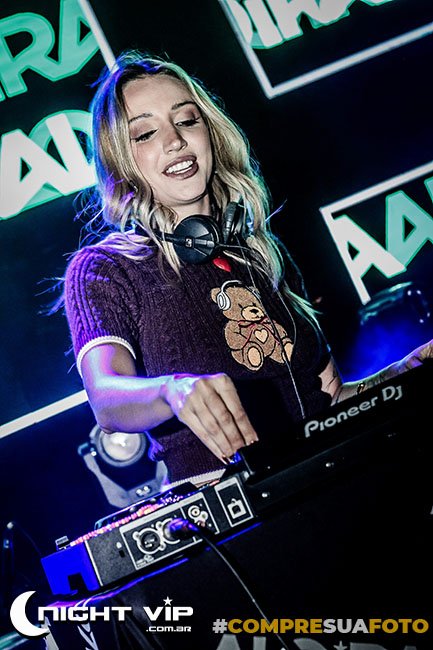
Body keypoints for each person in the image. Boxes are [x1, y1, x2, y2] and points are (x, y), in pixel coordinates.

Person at [63, 49, 433, 489]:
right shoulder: (107, 268)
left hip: (332, 483)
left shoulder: (263, 254)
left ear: (210, 133)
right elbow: (106, 398)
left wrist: (402, 373)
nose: (175, 140)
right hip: (233, 504)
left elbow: (331, 401)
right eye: (145, 133)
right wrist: (172, 390)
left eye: (187, 120)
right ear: (120, 160)